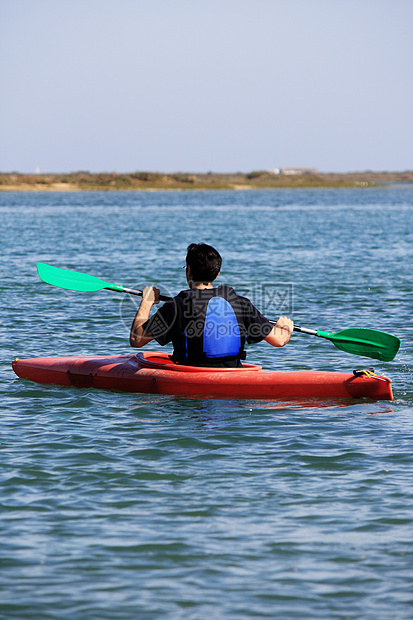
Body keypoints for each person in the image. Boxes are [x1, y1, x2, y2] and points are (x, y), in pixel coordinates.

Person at [130, 243, 293, 367]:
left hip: (191, 383)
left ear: (189, 272)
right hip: (232, 384)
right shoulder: (240, 303)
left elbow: (136, 339)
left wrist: (147, 302)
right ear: (216, 274)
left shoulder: (178, 305)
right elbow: (279, 340)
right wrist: (285, 327)